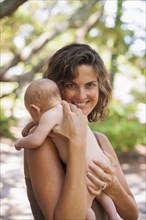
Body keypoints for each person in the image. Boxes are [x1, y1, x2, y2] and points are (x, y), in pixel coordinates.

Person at [20, 43, 138, 220]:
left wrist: (113, 186)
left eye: (90, 85)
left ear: (100, 87)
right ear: (56, 88)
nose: (81, 96)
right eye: (71, 85)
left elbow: (132, 214)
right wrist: (76, 143)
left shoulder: (100, 140)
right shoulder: (42, 145)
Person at [15, 78, 119, 220]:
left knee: (85, 209)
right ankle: (115, 216)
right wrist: (27, 129)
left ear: (35, 109)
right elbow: (34, 125)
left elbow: (36, 139)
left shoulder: (48, 116)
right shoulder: (72, 112)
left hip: (87, 170)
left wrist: (19, 143)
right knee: (101, 194)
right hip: (100, 163)